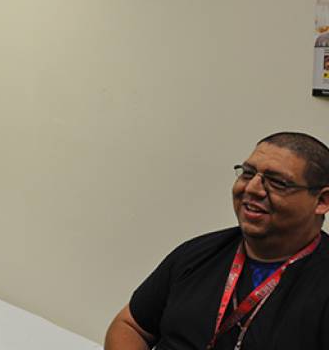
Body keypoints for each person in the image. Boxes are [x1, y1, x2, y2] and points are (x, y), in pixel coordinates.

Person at [105, 132, 329, 350]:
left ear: (321, 200)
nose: (251, 189)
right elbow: (130, 326)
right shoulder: (196, 254)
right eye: (248, 173)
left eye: (278, 183)